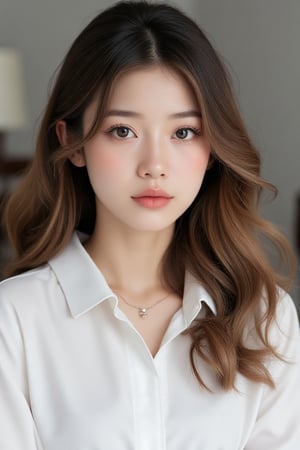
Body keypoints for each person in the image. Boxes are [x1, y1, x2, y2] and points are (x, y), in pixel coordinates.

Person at [0, 1, 299, 449]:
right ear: (72, 142)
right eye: (122, 131)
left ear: (213, 147)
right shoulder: (15, 320)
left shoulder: (263, 318)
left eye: (183, 133)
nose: (155, 166)